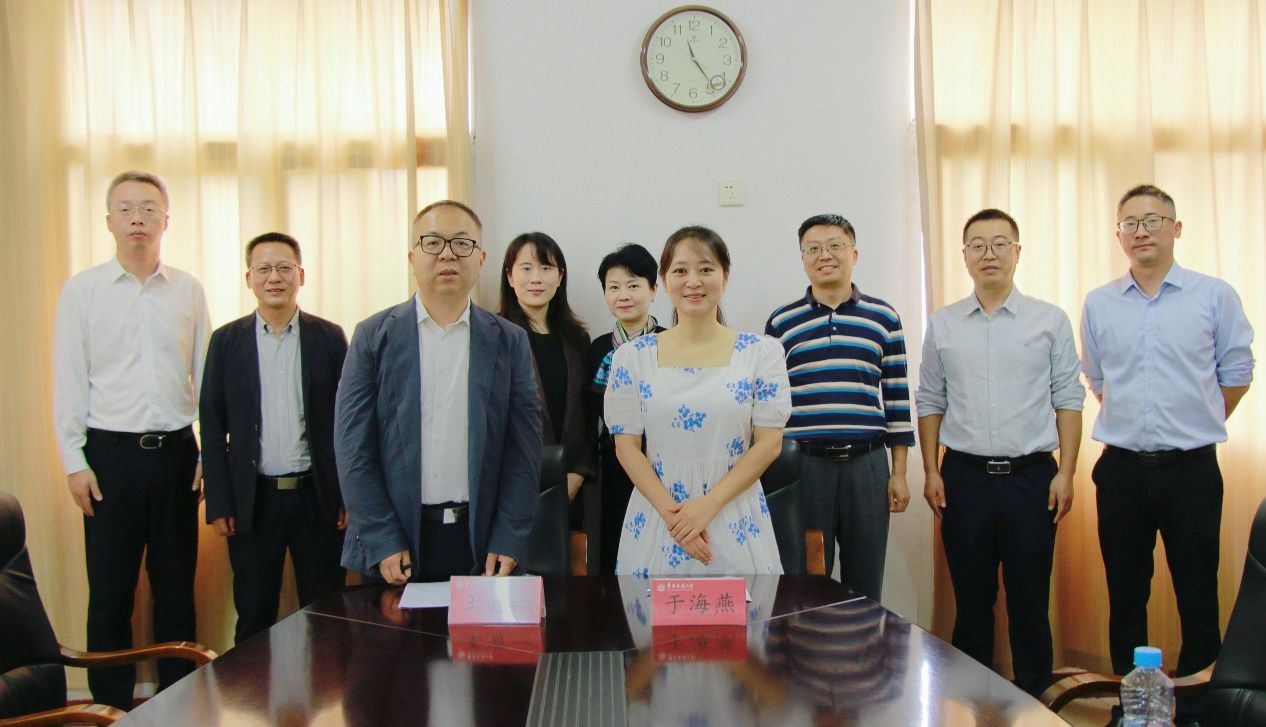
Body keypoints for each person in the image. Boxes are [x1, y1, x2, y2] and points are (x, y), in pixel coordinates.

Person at [1081, 184, 1253, 723]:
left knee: (1197, 593)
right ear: (1119, 235)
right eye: (1130, 223)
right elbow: (1098, 379)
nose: (1142, 231)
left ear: (1175, 228)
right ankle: (1131, 707)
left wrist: (1193, 420)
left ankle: (1201, 709)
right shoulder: (1099, 302)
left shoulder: (1213, 296)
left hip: (1191, 470)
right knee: (1125, 595)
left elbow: (1237, 374)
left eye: (1153, 220)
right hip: (1122, 470)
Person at [52, 170, 210, 710]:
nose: (137, 218)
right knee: (111, 592)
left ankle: (177, 702)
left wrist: (211, 454)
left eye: (148, 208)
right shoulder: (83, 290)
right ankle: (109, 707)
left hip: (176, 456)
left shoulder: (188, 290)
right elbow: (69, 380)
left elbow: (206, 378)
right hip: (108, 459)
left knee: (176, 589)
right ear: (109, 221)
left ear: (166, 219)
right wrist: (74, 460)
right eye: (125, 208)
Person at [916, 208, 1084, 697]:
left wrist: (1066, 473)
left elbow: (1068, 399)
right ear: (965, 255)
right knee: (972, 602)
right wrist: (931, 470)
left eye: (999, 243)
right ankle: (975, 703)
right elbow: (930, 401)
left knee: (1030, 600)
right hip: (963, 478)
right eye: (978, 245)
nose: (988, 253)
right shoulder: (943, 324)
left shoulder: (1049, 320)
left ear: (1017, 251)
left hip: (1032, 478)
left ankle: (1034, 700)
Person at [335, 200, 541, 584]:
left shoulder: (509, 341)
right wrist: (381, 536)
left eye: (462, 243)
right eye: (432, 243)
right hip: (396, 543)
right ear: (412, 257)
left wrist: (510, 536)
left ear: (481, 260)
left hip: (483, 542)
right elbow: (353, 449)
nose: (447, 254)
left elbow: (524, 450)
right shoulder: (372, 336)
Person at [605, 226, 790, 576]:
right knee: (651, 609)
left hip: (734, 511)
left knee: (743, 609)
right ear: (664, 280)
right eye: (680, 270)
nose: (693, 281)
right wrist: (676, 520)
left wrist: (708, 506)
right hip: (659, 514)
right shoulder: (631, 357)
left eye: (706, 269)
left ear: (725, 276)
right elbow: (626, 447)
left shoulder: (762, 353)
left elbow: (769, 444)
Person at [200, 232, 349, 644]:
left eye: (284, 268)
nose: (274, 277)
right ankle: (252, 689)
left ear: (301, 275)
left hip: (317, 498)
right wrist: (220, 501)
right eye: (263, 269)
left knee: (327, 614)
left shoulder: (329, 337)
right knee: (253, 615)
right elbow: (211, 425)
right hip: (254, 500)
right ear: (249, 278)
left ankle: (329, 687)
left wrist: (345, 496)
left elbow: (348, 423)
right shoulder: (226, 342)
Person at [764, 214, 913, 600]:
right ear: (802, 258)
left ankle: (864, 641)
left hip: (867, 466)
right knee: (806, 581)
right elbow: (768, 405)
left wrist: (899, 473)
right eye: (813, 248)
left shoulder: (884, 318)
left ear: (854, 254)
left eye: (835, 246)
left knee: (866, 582)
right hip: (803, 467)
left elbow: (897, 399)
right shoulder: (782, 322)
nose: (824, 255)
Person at [497, 232, 595, 509]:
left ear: (560, 276)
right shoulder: (495, 337)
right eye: (526, 268)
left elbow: (590, 414)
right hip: (512, 485)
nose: (536, 278)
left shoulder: (577, 339)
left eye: (546, 268)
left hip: (573, 483)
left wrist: (579, 472)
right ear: (510, 277)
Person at [588, 243, 666, 574]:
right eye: (614, 287)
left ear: (653, 290)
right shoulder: (597, 349)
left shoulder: (672, 342)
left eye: (633, 285)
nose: (623, 295)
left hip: (664, 464)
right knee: (617, 551)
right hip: (615, 467)